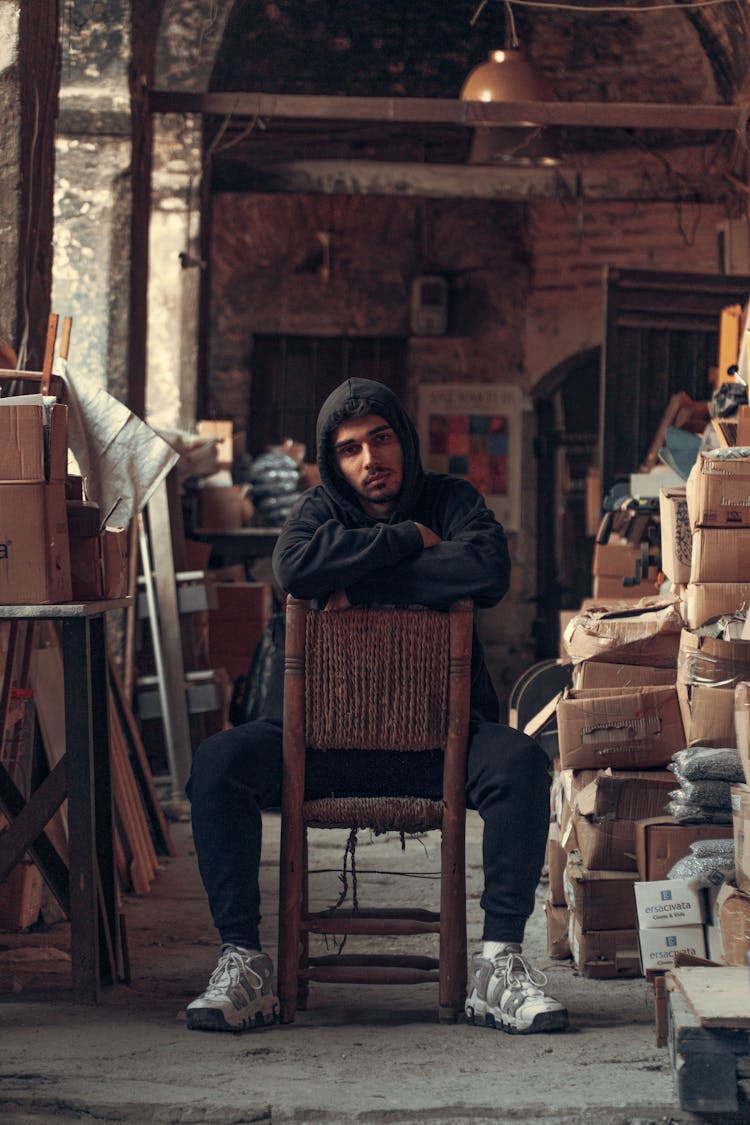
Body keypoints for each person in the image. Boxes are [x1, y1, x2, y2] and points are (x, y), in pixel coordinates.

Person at [185, 377, 568, 1036]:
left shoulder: (451, 500)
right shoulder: (319, 510)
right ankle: (243, 960)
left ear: (404, 436)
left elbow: (485, 569)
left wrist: (355, 577)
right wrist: (406, 542)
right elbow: (295, 569)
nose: (369, 460)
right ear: (333, 461)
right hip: (321, 751)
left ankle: (498, 963)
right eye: (349, 449)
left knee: (522, 761)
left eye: (381, 438)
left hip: (436, 748)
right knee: (218, 762)